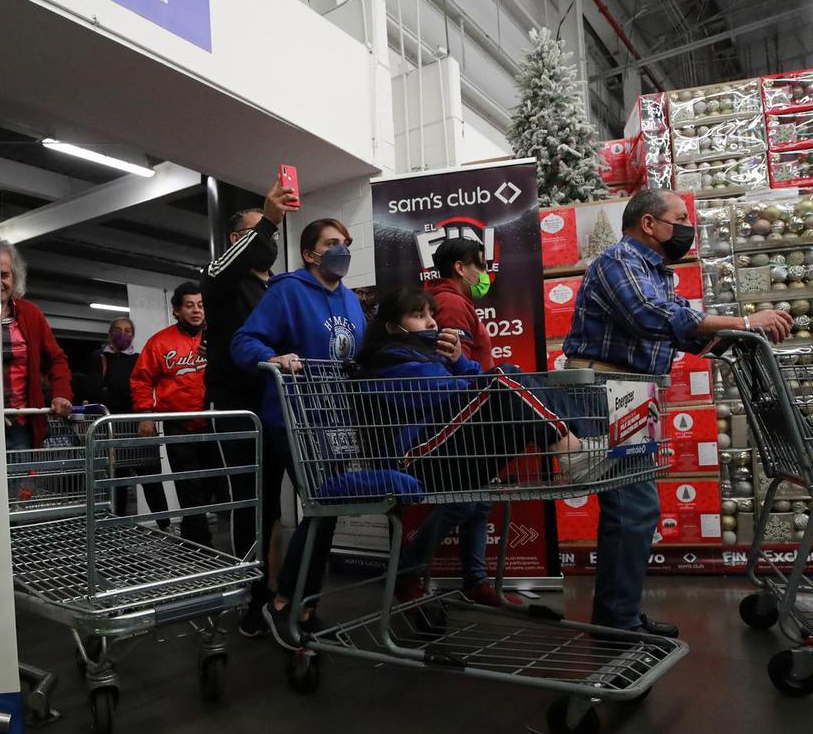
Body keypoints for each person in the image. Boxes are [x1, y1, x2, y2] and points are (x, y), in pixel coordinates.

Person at [563, 189, 792, 637]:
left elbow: (685, 332)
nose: (687, 228)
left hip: (631, 391)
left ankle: (617, 616)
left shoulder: (655, 272)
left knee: (633, 509)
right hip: (609, 388)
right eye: (680, 218)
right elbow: (652, 317)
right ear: (649, 223)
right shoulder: (619, 261)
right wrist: (746, 322)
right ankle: (618, 622)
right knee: (632, 506)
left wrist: (739, 338)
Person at [358, 288, 586, 604]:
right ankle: (573, 447)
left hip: (441, 447)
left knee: (473, 496)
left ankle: (473, 581)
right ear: (392, 327)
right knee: (505, 378)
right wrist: (468, 372)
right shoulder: (392, 361)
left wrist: (458, 361)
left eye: (431, 315)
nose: (431, 323)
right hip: (418, 457)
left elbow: (472, 383)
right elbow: (448, 393)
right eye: (419, 316)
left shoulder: (425, 356)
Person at [231, 218, 366, 646]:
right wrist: (274, 357)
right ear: (310, 254)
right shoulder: (287, 291)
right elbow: (243, 341)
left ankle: (304, 607)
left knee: (329, 509)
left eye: (346, 242)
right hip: (294, 416)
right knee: (323, 505)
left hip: (337, 420)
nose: (342, 249)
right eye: (332, 243)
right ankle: (283, 602)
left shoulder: (351, 300)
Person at [201, 176, 297, 636]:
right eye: (259, 233)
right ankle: (251, 596)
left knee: (275, 507)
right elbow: (217, 271)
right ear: (236, 239)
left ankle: (275, 589)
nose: (269, 242)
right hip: (239, 406)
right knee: (252, 503)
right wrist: (269, 220)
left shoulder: (278, 287)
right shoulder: (222, 280)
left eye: (272, 234)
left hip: (278, 405)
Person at [409, 237, 519, 607]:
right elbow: (454, 369)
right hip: (464, 418)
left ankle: (476, 580)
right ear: (460, 267)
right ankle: (408, 571)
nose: (485, 274)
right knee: (464, 501)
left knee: (479, 501)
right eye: (480, 265)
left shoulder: (451, 300)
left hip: (470, 415)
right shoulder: (453, 303)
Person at [129, 283, 215, 546]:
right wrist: (146, 414)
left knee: (213, 483)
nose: (196, 310)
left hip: (216, 421)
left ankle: (200, 534)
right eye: (189, 305)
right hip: (179, 423)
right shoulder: (160, 342)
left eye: (200, 305)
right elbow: (141, 380)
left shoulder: (217, 339)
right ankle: (199, 545)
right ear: (177, 310)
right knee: (188, 485)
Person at [0, 241, 73, 451]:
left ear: (14, 278)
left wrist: (61, 393)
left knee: (21, 474)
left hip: (20, 424)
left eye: (4, 275)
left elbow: (56, 359)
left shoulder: (30, 313)